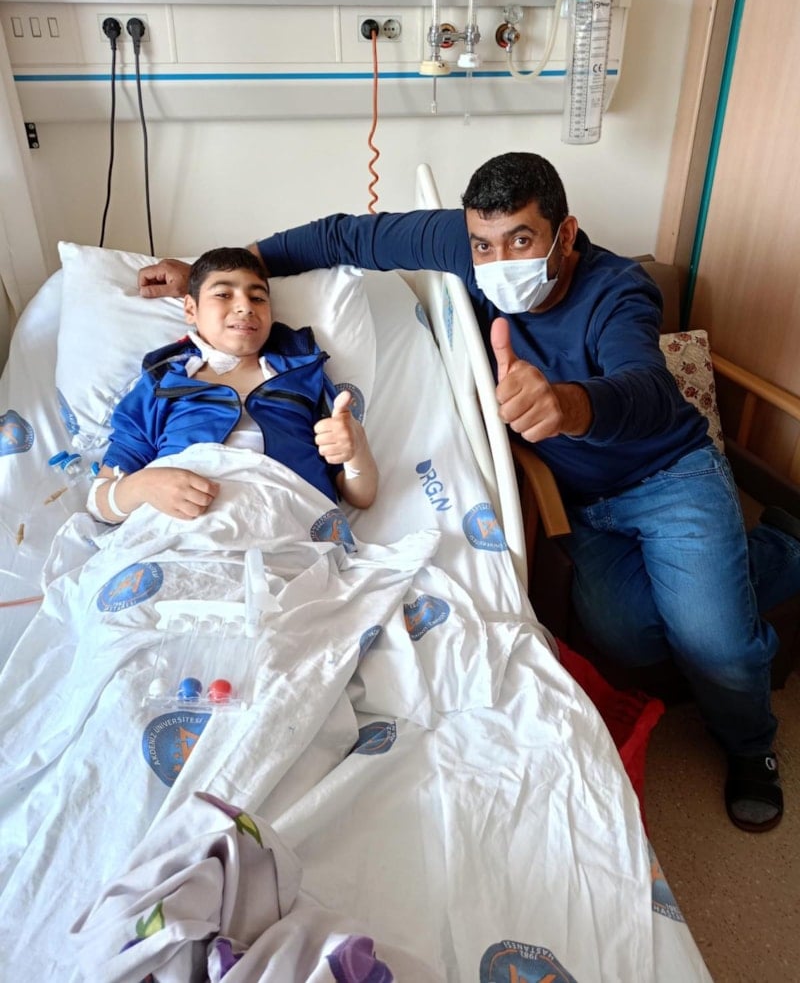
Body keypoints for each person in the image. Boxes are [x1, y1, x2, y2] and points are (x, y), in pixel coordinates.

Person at [138, 152, 800, 833]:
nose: (498, 260)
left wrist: (568, 405)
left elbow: (649, 387)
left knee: (712, 641)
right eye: (484, 245)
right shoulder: (459, 243)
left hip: (668, 474)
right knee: (627, 638)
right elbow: (344, 236)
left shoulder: (618, 291)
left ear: (566, 234)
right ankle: (770, 552)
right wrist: (213, 271)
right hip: (586, 501)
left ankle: (751, 743)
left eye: (522, 240)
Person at [90, 246, 378, 525]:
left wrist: (357, 449)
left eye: (258, 298)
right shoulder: (162, 384)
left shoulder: (305, 379)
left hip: (287, 529)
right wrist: (142, 486)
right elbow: (99, 504)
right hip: (182, 535)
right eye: (223, 294)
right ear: (191, 308)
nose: (244, 307)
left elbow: (361, 497)